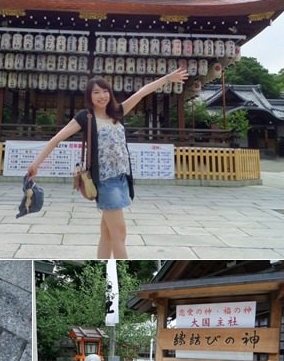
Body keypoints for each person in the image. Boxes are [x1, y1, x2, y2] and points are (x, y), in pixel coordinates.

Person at [26, 68, 188, 259]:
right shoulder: (85, 118)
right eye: (96, 92)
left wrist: (168, 78)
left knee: (108, 235)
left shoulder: (117, 112)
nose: (102, 96)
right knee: (120, 234)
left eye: (105, 91)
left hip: (122, 179)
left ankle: (103, 267)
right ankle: (123, 277)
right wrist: (35, 164)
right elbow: (56, 139)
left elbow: (143, 92)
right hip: (105, 182)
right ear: (89, 96)